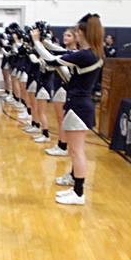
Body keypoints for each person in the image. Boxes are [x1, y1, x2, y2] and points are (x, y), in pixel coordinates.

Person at [32, 14, 105, 205]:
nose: (75, 35)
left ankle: (79, 193)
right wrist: (45, 42)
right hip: (79, 104)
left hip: (79, 106)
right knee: (75, 151)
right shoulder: (92, 54)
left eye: (77, 32)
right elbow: (61, 55)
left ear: (82, 33)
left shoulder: (86, 55)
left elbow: (52, 60)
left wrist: (37, 42)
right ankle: (75, 187)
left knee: (77, 151)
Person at [45, 27, 77, 157]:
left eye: (69, 36)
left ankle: (62, 145)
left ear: (76, 38)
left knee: (62, 119)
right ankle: (61, 143)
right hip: (58, 86)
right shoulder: (64, 51)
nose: (65, 37)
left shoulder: (73, 53)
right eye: (64, 35)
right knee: (59, 119)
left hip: (64, 88)